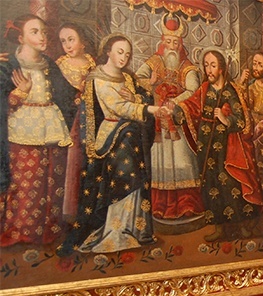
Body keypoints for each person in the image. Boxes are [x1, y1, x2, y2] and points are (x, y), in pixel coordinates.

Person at [56, 33, 166, 256]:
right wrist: (149, 109)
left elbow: (142, 96)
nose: (124, 57)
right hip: (112, 137)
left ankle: (133, 229)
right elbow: (118, 108)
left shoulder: (127, 77)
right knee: (123, 178)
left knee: (136, 180)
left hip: (131, 136)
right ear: (108, 51)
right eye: (119, 52)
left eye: (127, 53)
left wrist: (138, 101)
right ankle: (114, 231)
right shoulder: (98, 78)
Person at [0, 14, 78, 246]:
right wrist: (21, 93)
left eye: (44, 31)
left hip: (52, 129)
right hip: (22, 133)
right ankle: (22, 231)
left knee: (53, 180)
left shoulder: (49, 65)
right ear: (21, 37)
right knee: (26, 184)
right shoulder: (9, 66)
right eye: (35, 32)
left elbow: (67, 96)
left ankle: (48, 230)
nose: (42, 36)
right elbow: (2, 104)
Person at [171, 48, 263, 242]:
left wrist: (224, 118)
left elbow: (242, 122)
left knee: (231, 186)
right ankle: (219, 228)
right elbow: (191, 105)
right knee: (210, 185)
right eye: (206, 65)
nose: (209, 69)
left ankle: (241, 226)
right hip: (207, 147)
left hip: (228, 149)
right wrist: (176, 110)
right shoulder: (204, 89)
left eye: (213, 65)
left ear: (221, 68)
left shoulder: (231, 91)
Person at [135, 13, 204, 224]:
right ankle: (160, 206)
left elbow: (193, 90)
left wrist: (174, 103)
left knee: (183, 161)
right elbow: (137, 78)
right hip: (158, 122)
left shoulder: (187, 66)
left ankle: (187, 205)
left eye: (175, 42)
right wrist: (151, 82)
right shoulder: (154, 62)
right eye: (168, 42)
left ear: (180, 44)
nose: (171, 45)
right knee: (160, 164)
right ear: (162, 43)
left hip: (177, 122)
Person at [56, 22, 97, 220]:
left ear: (83, 42)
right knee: (69, 162)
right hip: (68, 118)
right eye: (63, 41)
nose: (67, 45)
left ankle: (87, 208)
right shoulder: (60, 64)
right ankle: (68, 211)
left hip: (87, 118)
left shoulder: (91, 63)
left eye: (71, 39)